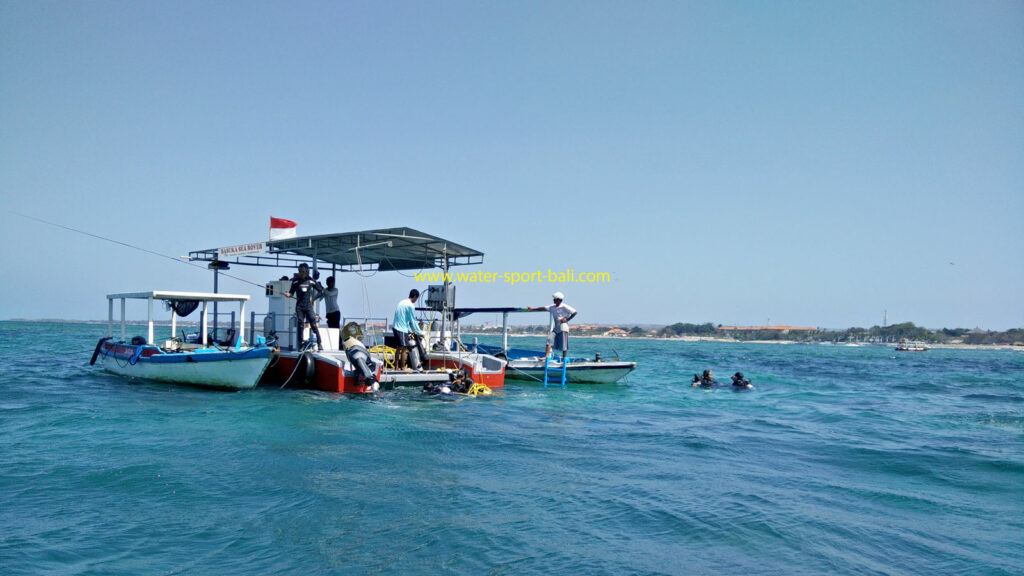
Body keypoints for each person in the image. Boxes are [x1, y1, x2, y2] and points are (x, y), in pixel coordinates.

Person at [284, 263, 324, 351]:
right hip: (299, 306)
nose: (301, 273)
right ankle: (301, 344)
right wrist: (288, 294)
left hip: (308, 306)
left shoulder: (311, 280)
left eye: (302, 271)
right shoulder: (295, 281)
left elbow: (321, 291)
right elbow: (291, 293)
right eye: (299, 271)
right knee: (300, 324)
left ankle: (319, 343)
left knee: (313, 324)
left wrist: (313, 299)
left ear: (307, 271)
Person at [527, 292, 577, 359]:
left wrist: (567, 319)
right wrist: (532, 309)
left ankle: (564, 358)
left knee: (564, 344)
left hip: (563, 327)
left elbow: (575, 312)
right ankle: (546, 356)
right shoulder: (552, 307)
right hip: (556, 327)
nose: (553, 300)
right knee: (549, 339)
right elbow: (543, 308)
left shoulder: (565, 306)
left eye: (555, 299)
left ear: (559, 300)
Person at [393, 289, 424, 371]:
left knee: (398, 348)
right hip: (401, 329)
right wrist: (419, 332)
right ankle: (403, 367)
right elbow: (413, 320)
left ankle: (396, 367)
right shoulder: (410, 305)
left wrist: (410, 330)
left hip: (395, 327)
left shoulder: (401, 302)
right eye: (416, 299)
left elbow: (405, 319)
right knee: (404, 349)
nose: (416, 300)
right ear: (415, 297)